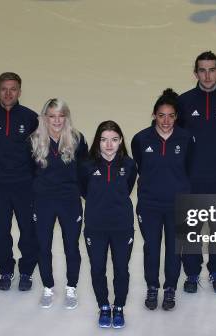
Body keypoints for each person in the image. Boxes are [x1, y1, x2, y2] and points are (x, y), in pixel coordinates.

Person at [178, 51, 216, 294]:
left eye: (211, 69)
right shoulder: (184, 102)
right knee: (191, 231)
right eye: (202, 70)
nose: (207, 75)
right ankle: (192, 274)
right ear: (195, 73)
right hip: (191, 180)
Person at [131, 88, 193, 311]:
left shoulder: (186, 139)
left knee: (175, 248)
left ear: (176, 117)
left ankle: (170, 288)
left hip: (177, 204)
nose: (166, 121)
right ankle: (152, 287)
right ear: (154, 115)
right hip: (150, 204)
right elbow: (139, 165)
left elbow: (189, 168)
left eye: (171, 116)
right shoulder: (141, 139)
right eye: (161, 115)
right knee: (152, 248)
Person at [0, 72, 39, 291]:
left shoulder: (30, 118)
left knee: (27, 229)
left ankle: (26, 271)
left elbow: (37, 150)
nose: (8, 93)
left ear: (19, 92)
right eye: (4, 89)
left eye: (12, 89)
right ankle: (6, 269)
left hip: (25, 184)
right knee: (1, 230)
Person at [30, 98, 88, 309]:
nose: (56, 120)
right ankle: (48, 286)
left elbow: (85, 171)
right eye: (52, 116)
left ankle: (71, 287)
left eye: (61, 115)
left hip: (69, 201)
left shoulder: (77, 139)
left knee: (71, 246)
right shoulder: (34, 140)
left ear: (66, 117)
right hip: (43, 201)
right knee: (43, 246)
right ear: (45, 117)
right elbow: (29, 173)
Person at [80, 121, 137, 328]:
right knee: (97, 268)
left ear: (121, 141)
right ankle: (104, 306)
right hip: (95, 226)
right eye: (104, 140)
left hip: (122, 226)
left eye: (114, 139)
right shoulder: (87, 165)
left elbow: (128, 187)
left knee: (121, 269)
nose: (109, 145)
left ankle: (119, 307)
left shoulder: (129, 165)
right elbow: (84, 190)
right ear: (98, 142)